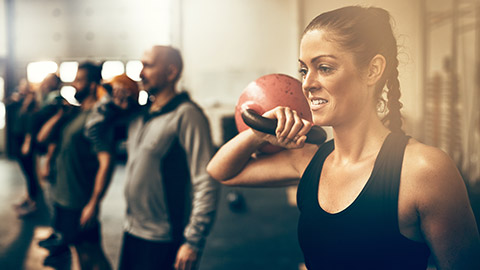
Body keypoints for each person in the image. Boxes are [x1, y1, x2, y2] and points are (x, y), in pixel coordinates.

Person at [207, 6, 480, 270]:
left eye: (324, 68)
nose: (307, 83)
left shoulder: (424, 170)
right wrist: (258, 133)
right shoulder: (310, 161)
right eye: (304, 70)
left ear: (373, 70)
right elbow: (222, 172)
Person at [86, 45, 220, 270]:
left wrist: (193, 242)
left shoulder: (187, 115)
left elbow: (206, 180)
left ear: (171, 72)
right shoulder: (139, 114)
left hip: (165, 238)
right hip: (132, 231)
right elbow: (93, 131)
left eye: (147, 66)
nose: (139, 73)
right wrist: (109, 105)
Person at [36, 62, 113, 269]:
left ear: (92, 84)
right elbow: (42, 138)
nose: (74, 84)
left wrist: (94, 203)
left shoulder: (96, 119)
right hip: (64, 198)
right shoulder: (73, 113)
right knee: (78, 251)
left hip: (80, 200)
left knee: (91, 252)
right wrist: (61, 116)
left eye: (80, 80)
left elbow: (106, 162)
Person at [6, 79, 41, 217]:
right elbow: (7, 105)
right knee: (26, 172)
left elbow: (31, 123)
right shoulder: (20, 102)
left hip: (26, 141)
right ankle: (29, 197)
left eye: (24, 86)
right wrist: (14, 98)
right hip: (18, 139)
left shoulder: (31, 102)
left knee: (30, 172)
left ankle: (33, 201)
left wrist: (27, 142)